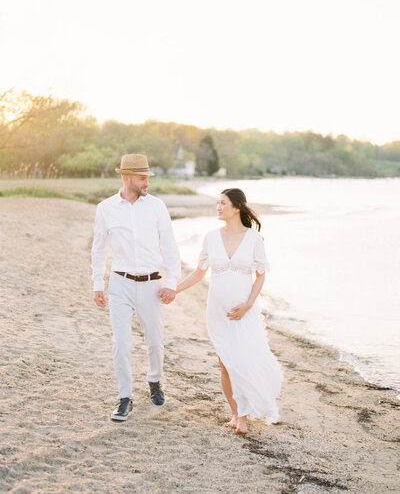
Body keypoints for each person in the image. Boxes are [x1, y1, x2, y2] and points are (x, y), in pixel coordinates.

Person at [176, 188, 282, 434]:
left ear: (236, 207)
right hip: (217, 311)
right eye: (217, 203)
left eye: (223, 203)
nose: (218, 207)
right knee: (225, 363)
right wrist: (174, 290)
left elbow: (261, 275)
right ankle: (235, 412)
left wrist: (248, 305)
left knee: (241, 360)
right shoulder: (211, 237)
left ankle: (243, 417)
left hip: (245, 310)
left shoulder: (254, 238)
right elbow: (199, 272)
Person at [91, 154, 180, 421]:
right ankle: (124, 397)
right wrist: (97, 284)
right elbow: (98, 250)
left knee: (155, 340)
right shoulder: (106, 208)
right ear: (126, 177)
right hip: (120, 283)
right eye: (143, 178)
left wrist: (172, 283)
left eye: (148, 178)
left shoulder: (157, 207)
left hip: (152, 284)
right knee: (121, 342)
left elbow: (171, 248)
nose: (147, 183)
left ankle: (154, 380)